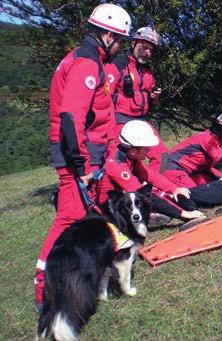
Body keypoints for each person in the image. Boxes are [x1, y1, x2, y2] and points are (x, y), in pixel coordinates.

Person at [34, 3, 132, 312]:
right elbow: (70, 118)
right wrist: (82, 167)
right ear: (107, 36)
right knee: (68, 220)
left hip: (91, 154)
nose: (120, 48)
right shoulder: (87, 64)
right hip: (80, 157)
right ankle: (43, 289)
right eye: (120, 41)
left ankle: (85, 271)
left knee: (89, 215)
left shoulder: (87, 60)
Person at [96, 120, 206, 224]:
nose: (149, 151)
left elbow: (150, 175)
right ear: (134, 151)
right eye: (146, 148)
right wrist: (183, 214)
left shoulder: (127, 154)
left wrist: (174, 189)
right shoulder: (116, 165)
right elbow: (142, 194)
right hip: (104, 211)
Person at [107, 26, 166, 172]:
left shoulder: (148, 72)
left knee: (163, 156)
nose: (148, 52)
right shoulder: (118, 65)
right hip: (120, 122)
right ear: (134, 44)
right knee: (123, 161)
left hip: (141, 121)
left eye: (151, 50)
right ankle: (129, 191)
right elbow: (104, 98)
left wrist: (154, 98)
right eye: (144, 47)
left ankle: (152, 190)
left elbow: (151, 103)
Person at [164, 112, 222, 188]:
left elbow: (207, 168)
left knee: (220, 184)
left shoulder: (213, 140)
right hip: (171, 167)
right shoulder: (207, 139)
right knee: (195, 195)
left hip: (183, 169)